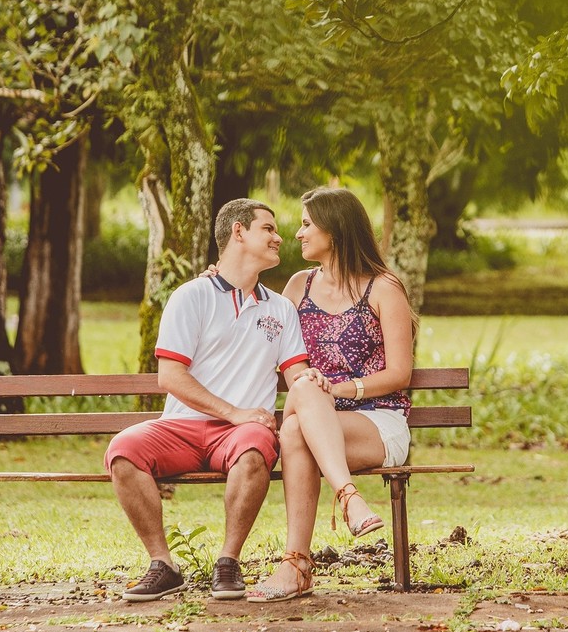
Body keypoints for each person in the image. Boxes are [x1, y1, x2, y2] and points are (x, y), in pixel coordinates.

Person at [105, 198, 328, 603]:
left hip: (242, 436)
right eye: (269, 228)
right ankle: (163, 564)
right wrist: (233, 411)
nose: (280, 237)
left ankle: (228, 561)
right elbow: (170, 376)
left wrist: (308, 378)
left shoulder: (280, 308)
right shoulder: (191, 297)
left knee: (255, 450)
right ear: (238, 232)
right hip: (182, 426)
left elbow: (295, 373)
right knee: (123, 450)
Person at [245, 186, 416, 602]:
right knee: (302, 412)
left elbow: (399, 374)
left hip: (378, 420)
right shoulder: (298, 286)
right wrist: (220, 281)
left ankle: (295, 564)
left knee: (301, 411)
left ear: (334, 232)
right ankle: (350, 498)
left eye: (307, 224)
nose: (298, 234)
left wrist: (337, 388)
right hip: (314, 417)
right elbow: (257, 336)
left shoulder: (383, 289)